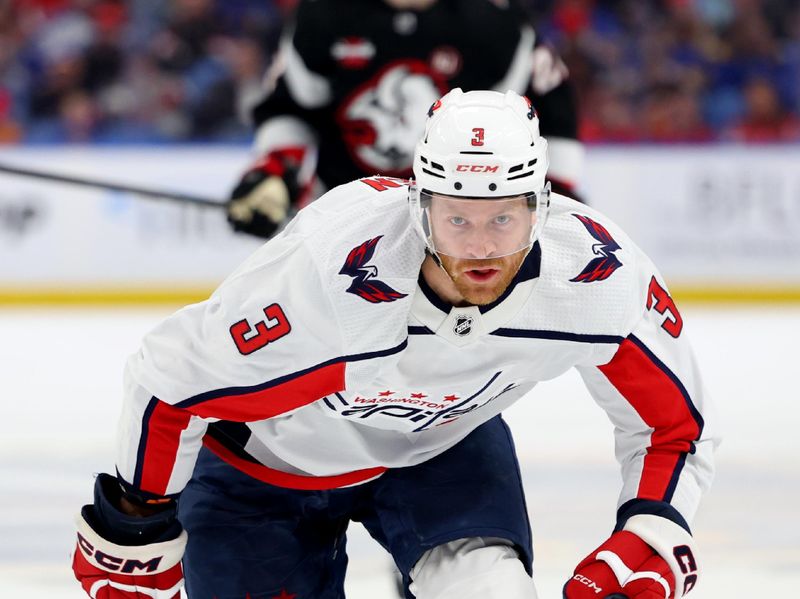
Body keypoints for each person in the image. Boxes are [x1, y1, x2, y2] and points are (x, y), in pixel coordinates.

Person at [72, 89, 717, 599]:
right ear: (420, 207)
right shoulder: (328, 275)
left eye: (504, 217)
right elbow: (171, 377)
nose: (483, 246)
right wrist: (137, 515)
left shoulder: (597, 276)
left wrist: (653, 524)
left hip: (443, 445)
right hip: (263, 468)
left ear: (542, 206)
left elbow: (674, 425)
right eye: (457, 217)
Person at [226, 0, 584, 238]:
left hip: (465, 229)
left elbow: (552, 114)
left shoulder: (496, 24)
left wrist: (554, 195)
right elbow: (291, 107)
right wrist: (275, 173)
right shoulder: (323, 15)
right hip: (347, 223)